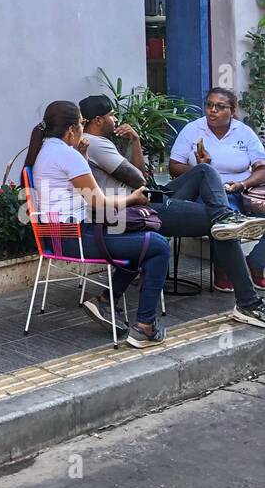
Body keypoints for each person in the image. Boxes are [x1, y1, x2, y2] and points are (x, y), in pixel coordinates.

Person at [79, 94, 265, 329]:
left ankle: (225, 217)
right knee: (219, 226)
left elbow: (139, 176)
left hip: (142, 203)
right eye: (111, 115)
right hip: (139, 209)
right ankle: (248, 303)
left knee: (205, 171)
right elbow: (139, 178)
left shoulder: (93, 143)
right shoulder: (96, 144)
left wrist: (135, 140)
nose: (115, 120)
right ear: (97, 120)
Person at [26, 100, 171, 348]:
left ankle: (106, 300)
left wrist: (81, 156)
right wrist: (133, 198)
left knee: (143, 241)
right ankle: (145, 326)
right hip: (76, 239)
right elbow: (99, 202)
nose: (83, 129)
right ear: (71, 130)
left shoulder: (46, 152)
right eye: (81, 123)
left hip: (59, 237)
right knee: (158, 246)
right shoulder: (66, 155)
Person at [170, 88, 265, 293]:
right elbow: (174, 166)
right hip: (205, 193)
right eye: (209, 105)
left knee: (234, 207)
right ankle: (223, 270)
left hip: (242, 191)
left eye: (220, 107)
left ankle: (257, 262)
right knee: (223, 213)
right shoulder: (192, 130)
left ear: (232, 110)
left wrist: (242, 184)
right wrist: (202, 169)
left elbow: (262, 168)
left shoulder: (244, 132)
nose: (212, 110)